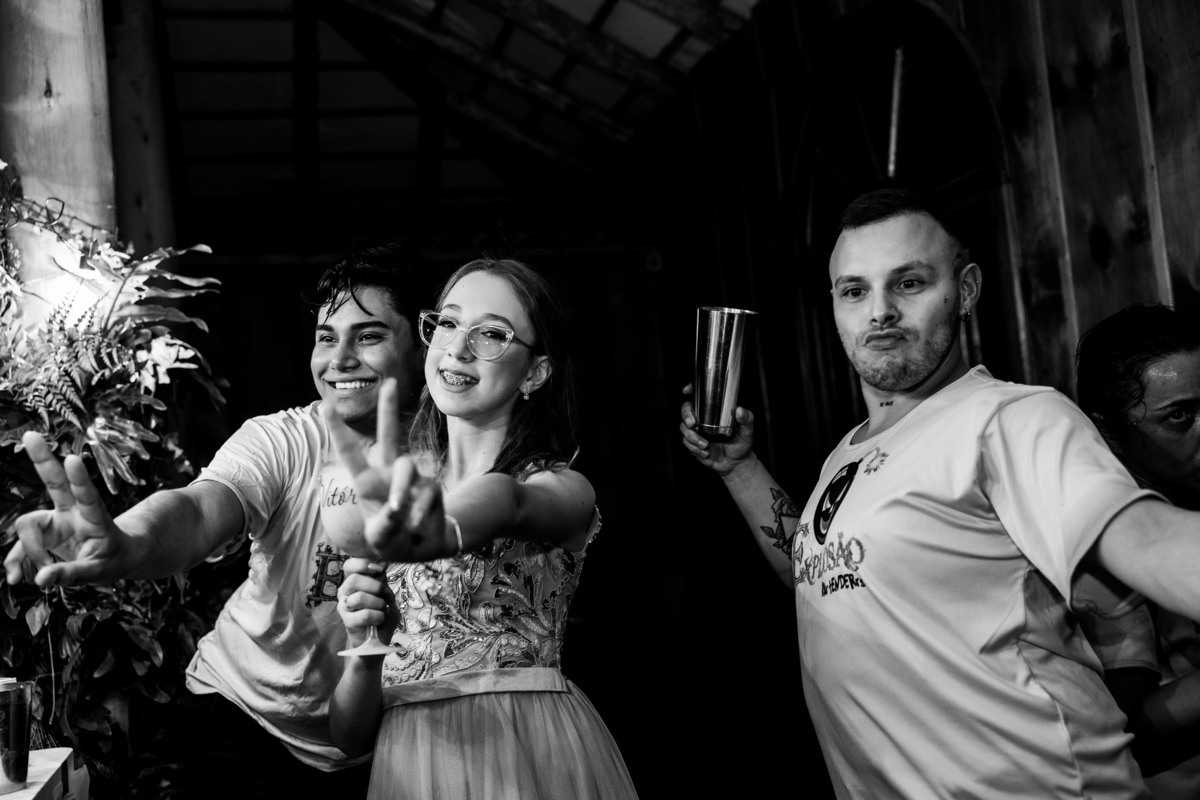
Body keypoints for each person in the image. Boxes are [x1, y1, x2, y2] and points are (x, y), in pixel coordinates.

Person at [679, 187, 1200, 799]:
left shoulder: (1010, 418)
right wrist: (739, 468)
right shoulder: (847, 454)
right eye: (855, 291)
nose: (880, 312)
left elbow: (1144, 539)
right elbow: (815, 571)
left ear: (966, 289)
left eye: (909, 283)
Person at [4, 245, 434, 799]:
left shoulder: (463, 462)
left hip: (376, 738)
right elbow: (199, 509)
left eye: (369, 336)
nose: (340, 359)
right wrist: (126, 541)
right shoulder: (284, 439)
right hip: (241, 717)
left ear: (425, 344)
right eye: (327, 337)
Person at [325, 257, 639, 799]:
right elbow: (348, 739)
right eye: (448, 323)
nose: (458, 348)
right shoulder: (394, 492)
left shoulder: (558, 487)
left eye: (491, 334)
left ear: (535, 372)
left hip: (524, 752)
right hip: (411, 765)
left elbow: (505, 501)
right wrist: (363, 643)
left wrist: (433, 527)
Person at [1075, 303, 1200, 799]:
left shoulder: (1187, 492)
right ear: (1108, 431)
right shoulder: (1105, 546)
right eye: (1180, 416)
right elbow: (1127, 735)